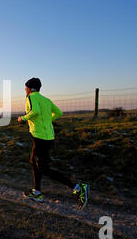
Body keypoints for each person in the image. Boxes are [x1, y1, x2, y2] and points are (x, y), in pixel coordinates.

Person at [17, 77, 89, 210]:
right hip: (48, 136)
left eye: (25, 88)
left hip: (40, 137)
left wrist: (22, 118)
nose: (25, 90)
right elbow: (59, 113)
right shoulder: (46, 100)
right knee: (34, 162)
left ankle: (78, 188)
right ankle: (37, 192)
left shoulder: (31, 97)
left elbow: (35, 112)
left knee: (44, 168)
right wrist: (47, 122)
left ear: (29, 88)